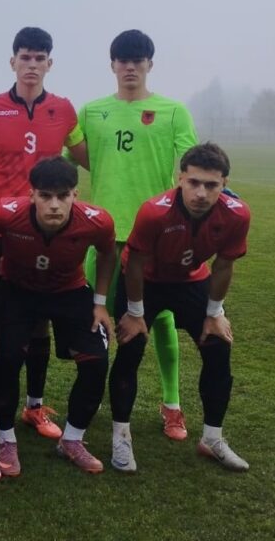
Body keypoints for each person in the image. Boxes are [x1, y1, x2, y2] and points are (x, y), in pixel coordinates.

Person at [0, 26, 88, 439]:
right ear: (12, 62)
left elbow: (85, 157)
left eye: (39, 58)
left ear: (50, 64)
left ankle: (33, 406)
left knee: (40, 319)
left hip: (46, 227)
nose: (32, 65)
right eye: (25, 57)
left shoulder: (64, 109)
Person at [70, 29, 198, 441]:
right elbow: (72, 156)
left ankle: (172, 404)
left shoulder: (173, 112)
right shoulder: (91, 112)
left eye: (137, 61)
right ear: (112, 65)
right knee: (98, 319)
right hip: (104, 236)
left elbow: (192, 166)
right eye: (123, 60)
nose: (130, 67)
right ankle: (92, 401)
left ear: (149, 65)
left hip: (155, 237)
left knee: (160, 321)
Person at [109, 142, 251, 473]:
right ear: (181, 178)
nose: (201, 193)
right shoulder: (154, 211)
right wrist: (134, 313)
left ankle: (212, 438)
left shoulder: (237, 214)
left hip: (190, 280)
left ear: (224, 183)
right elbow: (134, 263)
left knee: (218, 346)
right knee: (131, 346)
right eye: (194, 183)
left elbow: (224, 265)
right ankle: (120, 436)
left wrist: (215, 314)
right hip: (145, 280)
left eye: (211, 185)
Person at [0, 158, 115, 476]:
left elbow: (107, 253)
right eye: (45, 196)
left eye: (63, 195)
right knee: (6, 359)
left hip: (68, 291)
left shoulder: (97, 221)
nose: (55, 205)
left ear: (75, 194)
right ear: (31, 194)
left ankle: (72, 440)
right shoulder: (4, 214)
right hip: (17, 290)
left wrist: (100, 303)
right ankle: (6, 439)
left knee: (96, 361)